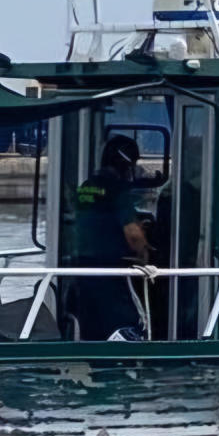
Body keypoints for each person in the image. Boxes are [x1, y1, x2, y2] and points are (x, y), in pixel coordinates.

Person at [69, 134, 150, 339]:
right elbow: (133, 234)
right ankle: (119, 367)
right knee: (123, 324)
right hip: (111, 267)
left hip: (82, 265)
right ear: (125, 163)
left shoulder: (87, 185)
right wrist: (144, 253)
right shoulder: (117, 190)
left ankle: (98, 367)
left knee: (92, 324)